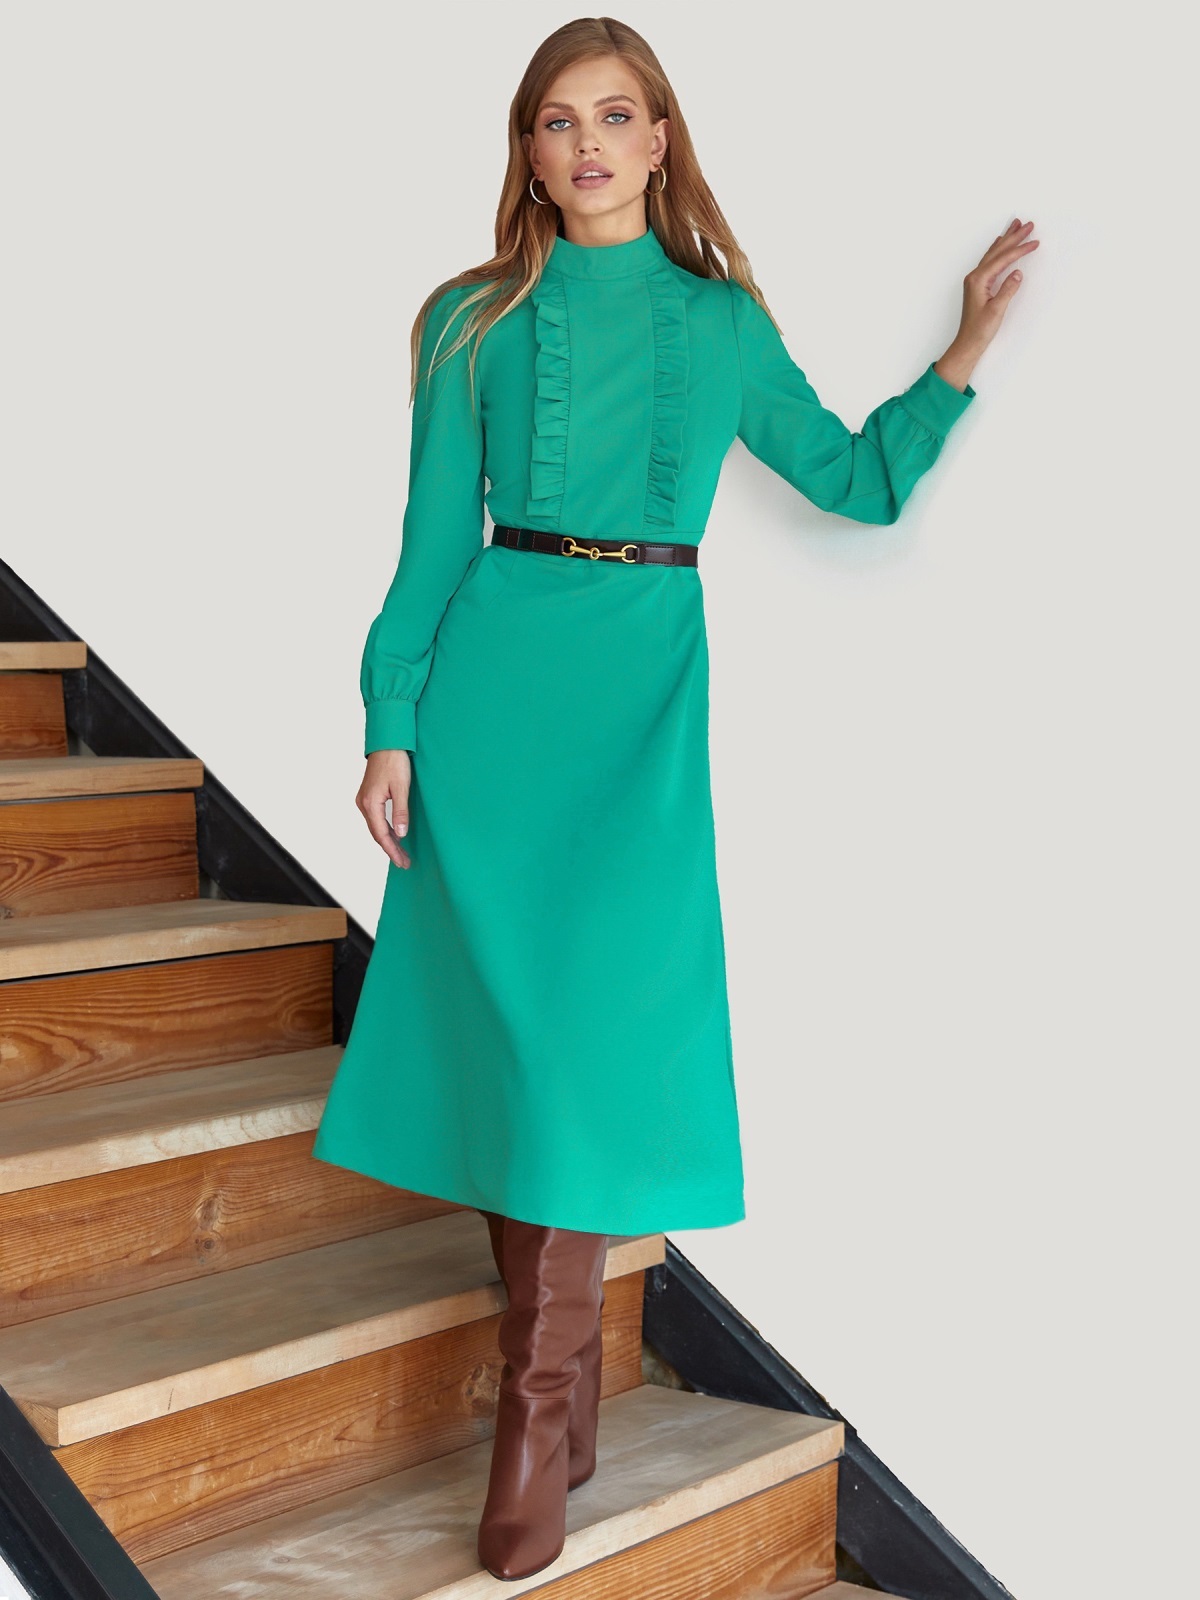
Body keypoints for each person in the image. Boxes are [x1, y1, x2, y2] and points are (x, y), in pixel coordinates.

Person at [311, 15, 1037, 1583]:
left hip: (639, 704)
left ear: (658, 141)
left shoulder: (720, 323)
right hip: (491, 697)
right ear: (529, 153)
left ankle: (541, 1402)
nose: (585, 143)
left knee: (575, 1052)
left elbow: (855, 481)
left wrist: (963, 354)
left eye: (614, 115)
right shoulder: (467, 319)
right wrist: (390, 719)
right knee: (511, 1048)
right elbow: (431, 537)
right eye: (556, 120)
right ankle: (551, 1403)